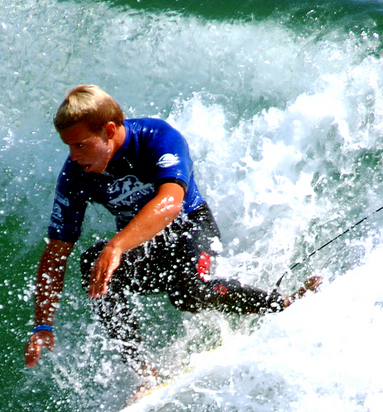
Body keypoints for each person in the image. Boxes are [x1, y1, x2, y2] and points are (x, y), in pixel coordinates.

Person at [24, 85, 320, 384]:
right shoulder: (77, 174)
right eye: (69, 147)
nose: (73, 156)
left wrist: (116, 246)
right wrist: (42, 325)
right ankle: (145, 374)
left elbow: (170, 202)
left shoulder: (157, 137)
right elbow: (55, 254)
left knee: (189, 293)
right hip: (144, 245)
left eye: (80, 145)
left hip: (191, 227)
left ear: (109, 130)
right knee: (92, 263)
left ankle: (281, 304)